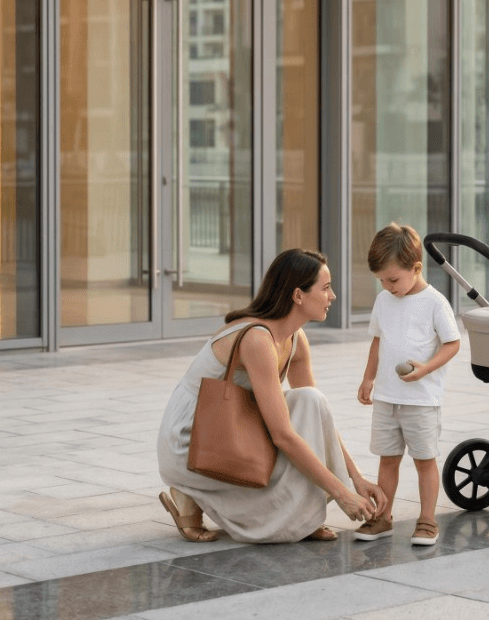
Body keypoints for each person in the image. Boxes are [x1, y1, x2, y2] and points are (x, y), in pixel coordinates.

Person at [157, 248, 386, 543]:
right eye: (326, 288)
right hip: (194, 442)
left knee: (312, 401)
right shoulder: (257, 339)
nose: (333, 296)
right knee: (281, 482)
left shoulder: (295, 339)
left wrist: (356, 479)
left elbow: (321, 421)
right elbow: (282, 436)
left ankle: (301, 515)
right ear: (298, 295)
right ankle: (190, 494)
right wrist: (342, 494)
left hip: (234, 429)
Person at [356, 223, 460, 546]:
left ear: (416, 268)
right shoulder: (384, 301)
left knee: (424, 460)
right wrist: (368, 377)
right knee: (387, 459)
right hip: (387, 398)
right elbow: (377, 341)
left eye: (393, 280)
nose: (387, 286)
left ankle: (427, 520)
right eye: (381, 280)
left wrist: (426, 369)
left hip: (421, 400)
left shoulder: (435, 303)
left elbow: (452, 343)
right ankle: (383, 517)